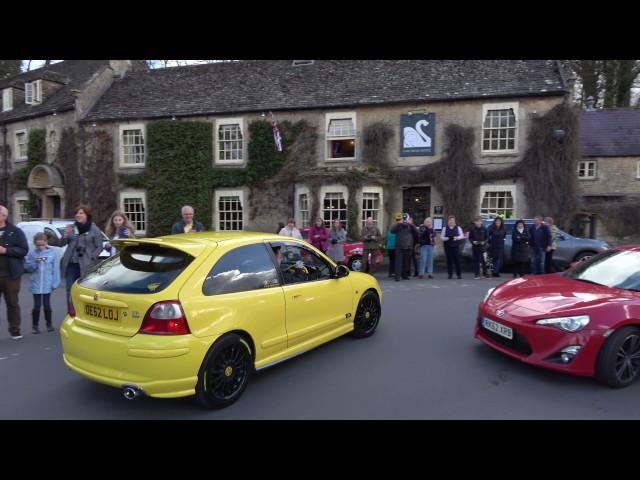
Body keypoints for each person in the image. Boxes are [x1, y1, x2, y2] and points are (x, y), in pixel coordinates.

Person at [60, 205, 104, 311]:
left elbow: (99, 246)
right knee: (69, 290)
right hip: (71, 264)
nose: (78, 215)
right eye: (77, 213)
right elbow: (61, 243)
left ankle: (84, 313)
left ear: (87, 215)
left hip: (85, 265)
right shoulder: (71, 227)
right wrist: (65, 235)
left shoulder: (94, 228)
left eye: (81, 213)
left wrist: (92, 257)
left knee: (84, 290)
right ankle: (71, 312)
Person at [0, 205, 28, 339]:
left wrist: (6, 251)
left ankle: (15, 329)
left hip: (11, 275)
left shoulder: (15, 231)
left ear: (4, 216)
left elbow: (24, 250)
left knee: (12, 303)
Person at [24, 232, 60, 334]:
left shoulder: (52, 253)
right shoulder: (32, 254)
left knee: (47, 305)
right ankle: (35, 326)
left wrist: (55, 283)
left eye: (42, 244)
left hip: (47, 283)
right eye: (38, 245)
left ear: (45, 242)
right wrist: (35, 262)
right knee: (37, 305)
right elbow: (27, 267)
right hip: (36, 283)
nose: (40, 247)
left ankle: (49, 324)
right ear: (35, 244)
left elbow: (56, 269)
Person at [391, 213, 418, 281]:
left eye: (406, 219)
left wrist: (411, 224)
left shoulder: (410, 226)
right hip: (399, 247)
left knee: (406, 262)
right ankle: (397, 276)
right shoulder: (399, 225)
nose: (405, 220)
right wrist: (399, 223)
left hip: (408, 246)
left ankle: (404, 275)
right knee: (398, 262)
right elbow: (392, 231)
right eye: (404, 218)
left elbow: (416, 232)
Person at [440, 215, 464, 279]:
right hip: (447, 246)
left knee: (457, 261)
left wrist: (457, 237)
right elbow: (441, 237)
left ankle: (459, 274)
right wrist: (446, 238)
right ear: (448, 221)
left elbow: (462, 236)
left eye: (452, 221)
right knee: (449, 261)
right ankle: (450, 274)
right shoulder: (445, 228)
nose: (451, 222)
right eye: (450, 221)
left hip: (455, 246)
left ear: (454, 221)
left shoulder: (458, 228)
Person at [386, 213, 401, 277]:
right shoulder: (398, 228)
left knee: (391, 261)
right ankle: (395, 272)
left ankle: (390, 273)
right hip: (395, 247)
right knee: (395, 261)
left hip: (389, 247)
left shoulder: (390, 229)